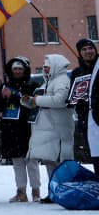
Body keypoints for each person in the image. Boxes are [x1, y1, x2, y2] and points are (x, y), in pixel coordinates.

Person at [0, 57, 40, 202]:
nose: (18, 71)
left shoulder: (32, 85)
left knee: (31, 160)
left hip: (26, 127)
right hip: (10, 127)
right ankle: (21, 191)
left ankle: (36, 190)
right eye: (15, 69)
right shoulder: (5, 86)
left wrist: (13, 96)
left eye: (20, 69)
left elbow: (32, 104)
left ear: (25, 70)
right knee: (17, 161)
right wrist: (3, 97)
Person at [29, 54, 75, 200]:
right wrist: (29, 101)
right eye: (44, 67)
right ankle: (54, 190)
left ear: (55, 66)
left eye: (47, 67)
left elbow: (60, 100)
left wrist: (37, 100)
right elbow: (43, 101)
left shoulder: (62, 81)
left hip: (59, 127)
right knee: (51, 161)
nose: (45, 69)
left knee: (60, 162)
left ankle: (61, 190)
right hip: (50, 128)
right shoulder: (48, 82)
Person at [69, 39, 96, 166]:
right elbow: (72, 94)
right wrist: (74, 100)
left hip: (97, 117)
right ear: (79, 53)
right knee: (95, 156)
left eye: (90, 48)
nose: (88, 51)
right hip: (85, 119)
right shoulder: (77, 72)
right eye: (84, 49)